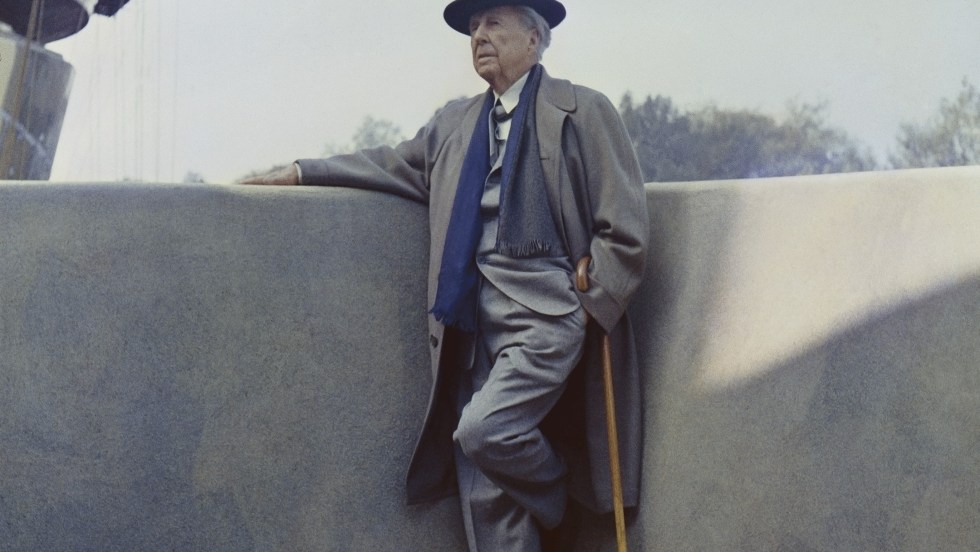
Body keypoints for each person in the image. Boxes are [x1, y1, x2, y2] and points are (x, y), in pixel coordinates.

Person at [242, 1, 648, 550]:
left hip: (549, 316)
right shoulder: (455, 124)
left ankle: (561, 498)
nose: (479, 36)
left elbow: (625, 231)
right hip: (469, 324)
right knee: (487, 500)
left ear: (534, 38)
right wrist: (301, 171)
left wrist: (589, 306)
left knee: (485, 431)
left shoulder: (585, 111)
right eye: (473, 28)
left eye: (493, 23)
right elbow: (388, 164)